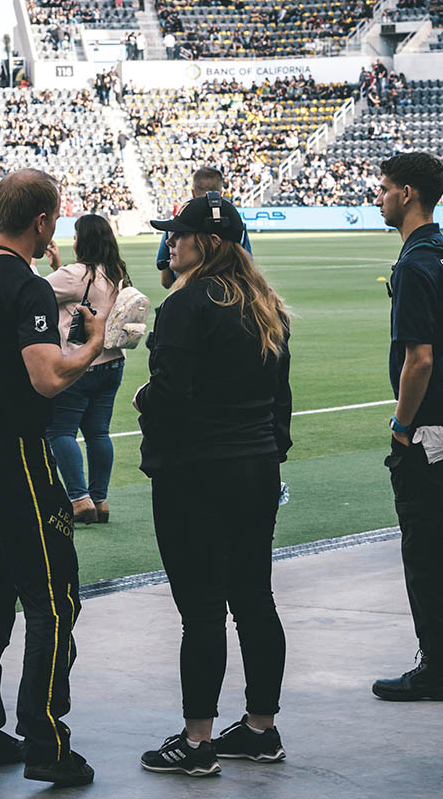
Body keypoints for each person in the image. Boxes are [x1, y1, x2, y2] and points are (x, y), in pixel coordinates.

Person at [0, 169, 105, 785]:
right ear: (42, 221)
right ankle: (46, 740)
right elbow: (46, 378)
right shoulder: (27, 286)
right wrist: (94, 345)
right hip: (15, 453)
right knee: (53, 598)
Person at [137, 195, 292, 777]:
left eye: (179, 234)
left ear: (207, 243)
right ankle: (260, 728)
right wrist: (271, 452)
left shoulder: (185, 305)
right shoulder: (264, 302)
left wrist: (143, 402)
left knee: (201, 609)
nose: (170, 243)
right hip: (255, 467)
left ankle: (198, 741)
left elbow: (169, 392)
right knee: (254, 596)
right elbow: (282, 399)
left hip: (195, 471)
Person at [372, 152, 443, 701]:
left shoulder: (414, 264)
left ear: (406, 194)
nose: (377, 198)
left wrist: (403, 427)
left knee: (426, 549)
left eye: (383, 189)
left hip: (428, 435)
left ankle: (440, 667)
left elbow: (418, 359)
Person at [44, 214, 129, 523]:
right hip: (112, 361)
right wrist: (58, 265)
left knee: (59, 431)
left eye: (77, 235)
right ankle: (100, 499)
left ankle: (79, 499)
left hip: (79, 362)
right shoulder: (117, 273)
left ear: (85, 240)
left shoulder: (74, 274)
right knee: (98, 433)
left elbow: (34, 292)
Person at [157, 166, 252, 289]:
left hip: (186, 294)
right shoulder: (237, 226)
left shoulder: (175, 225)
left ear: (192, 193)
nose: (171, 241)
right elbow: (247, 270)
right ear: (221, 194)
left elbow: (166, 281)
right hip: (228, 295)